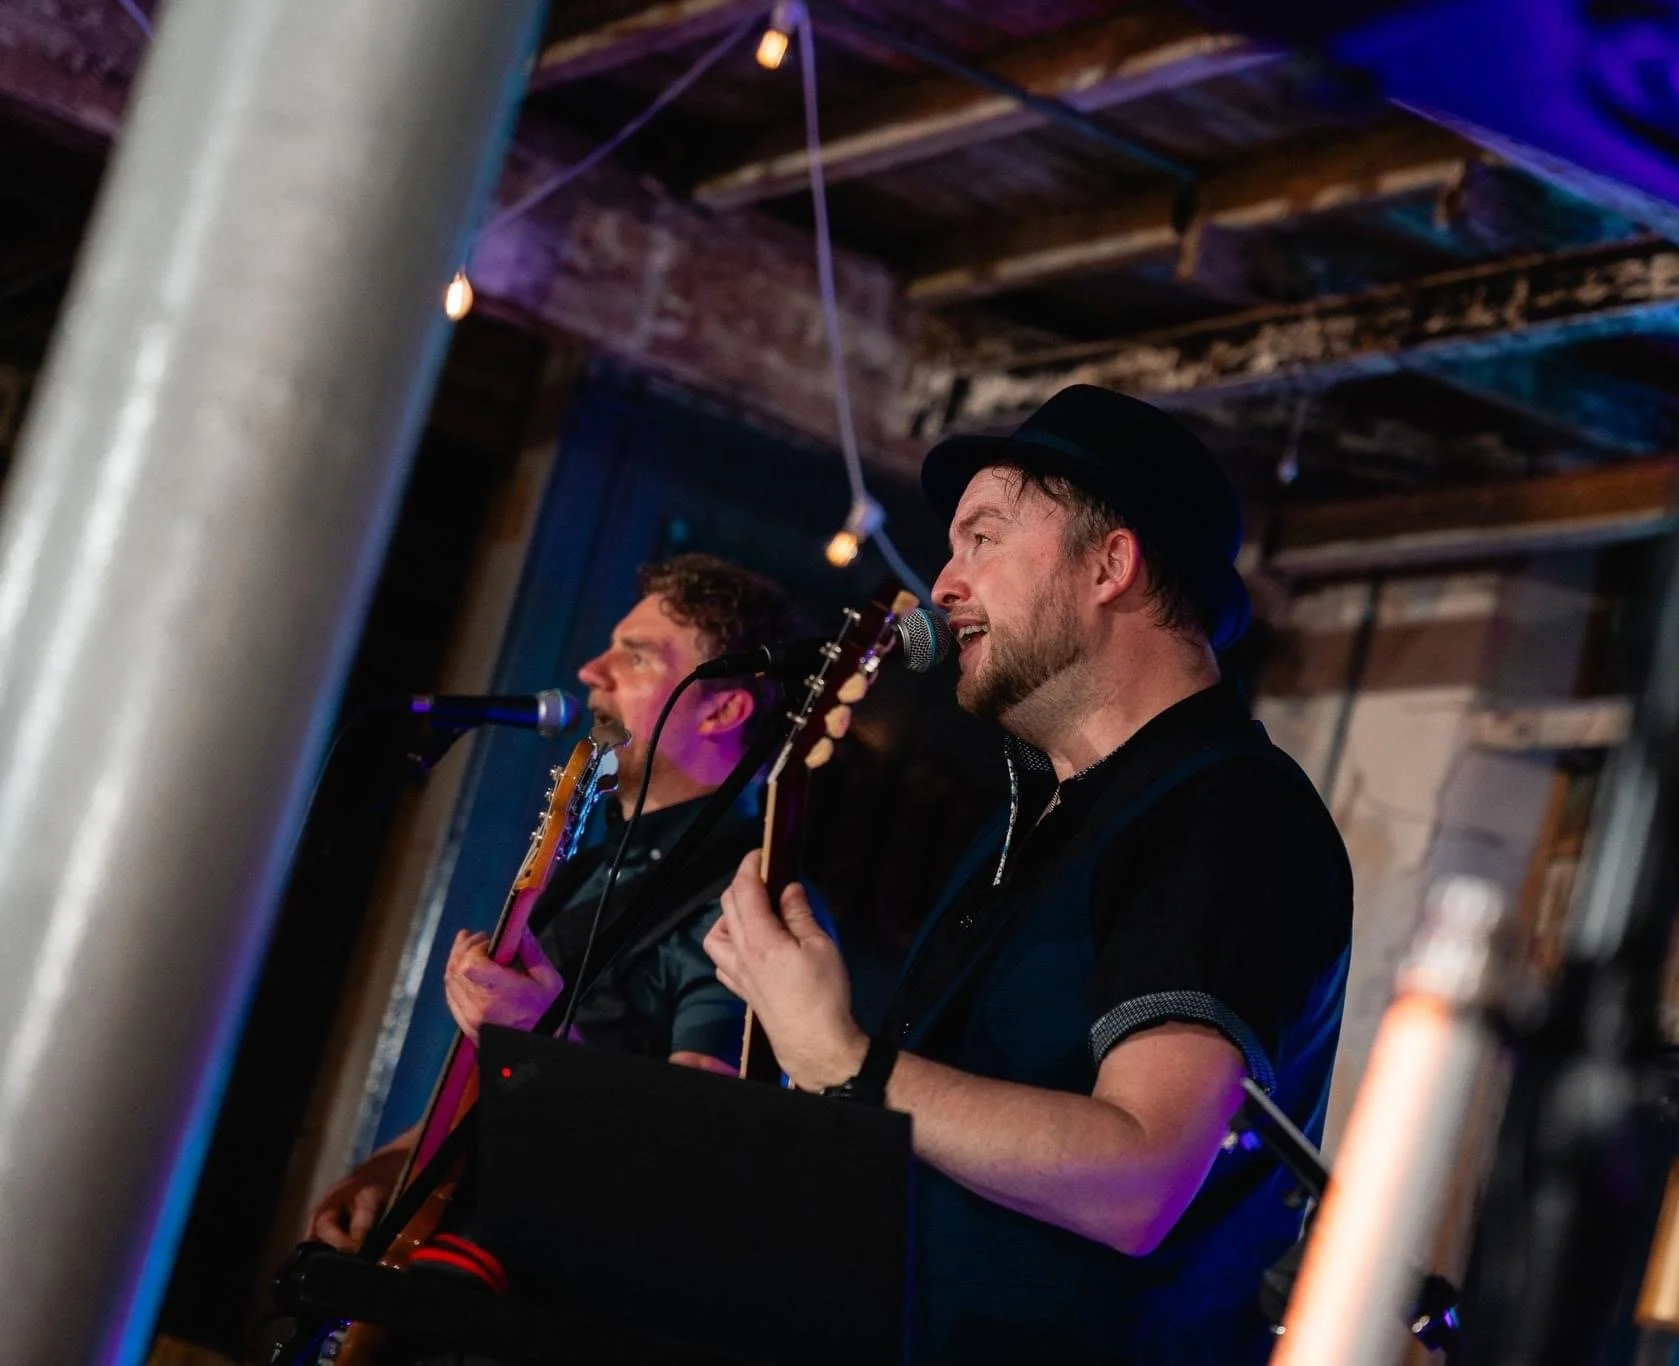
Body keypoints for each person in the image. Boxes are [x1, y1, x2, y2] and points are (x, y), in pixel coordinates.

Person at [708, 385, 1354, 1365]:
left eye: (982, 538)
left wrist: (844, 1058)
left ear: (1110, 564)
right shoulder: (1036, 814)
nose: (942, 582)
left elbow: (1141, 1174)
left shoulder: (1229, 814)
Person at [308, 552, 802, 1254]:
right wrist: (386, 1172)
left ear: (723, 708)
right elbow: (487, 1094)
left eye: (634, 658)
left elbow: (696, 1149)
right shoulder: (593, 865)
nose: (590, 673)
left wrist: (533, 1032)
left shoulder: (749, 898)